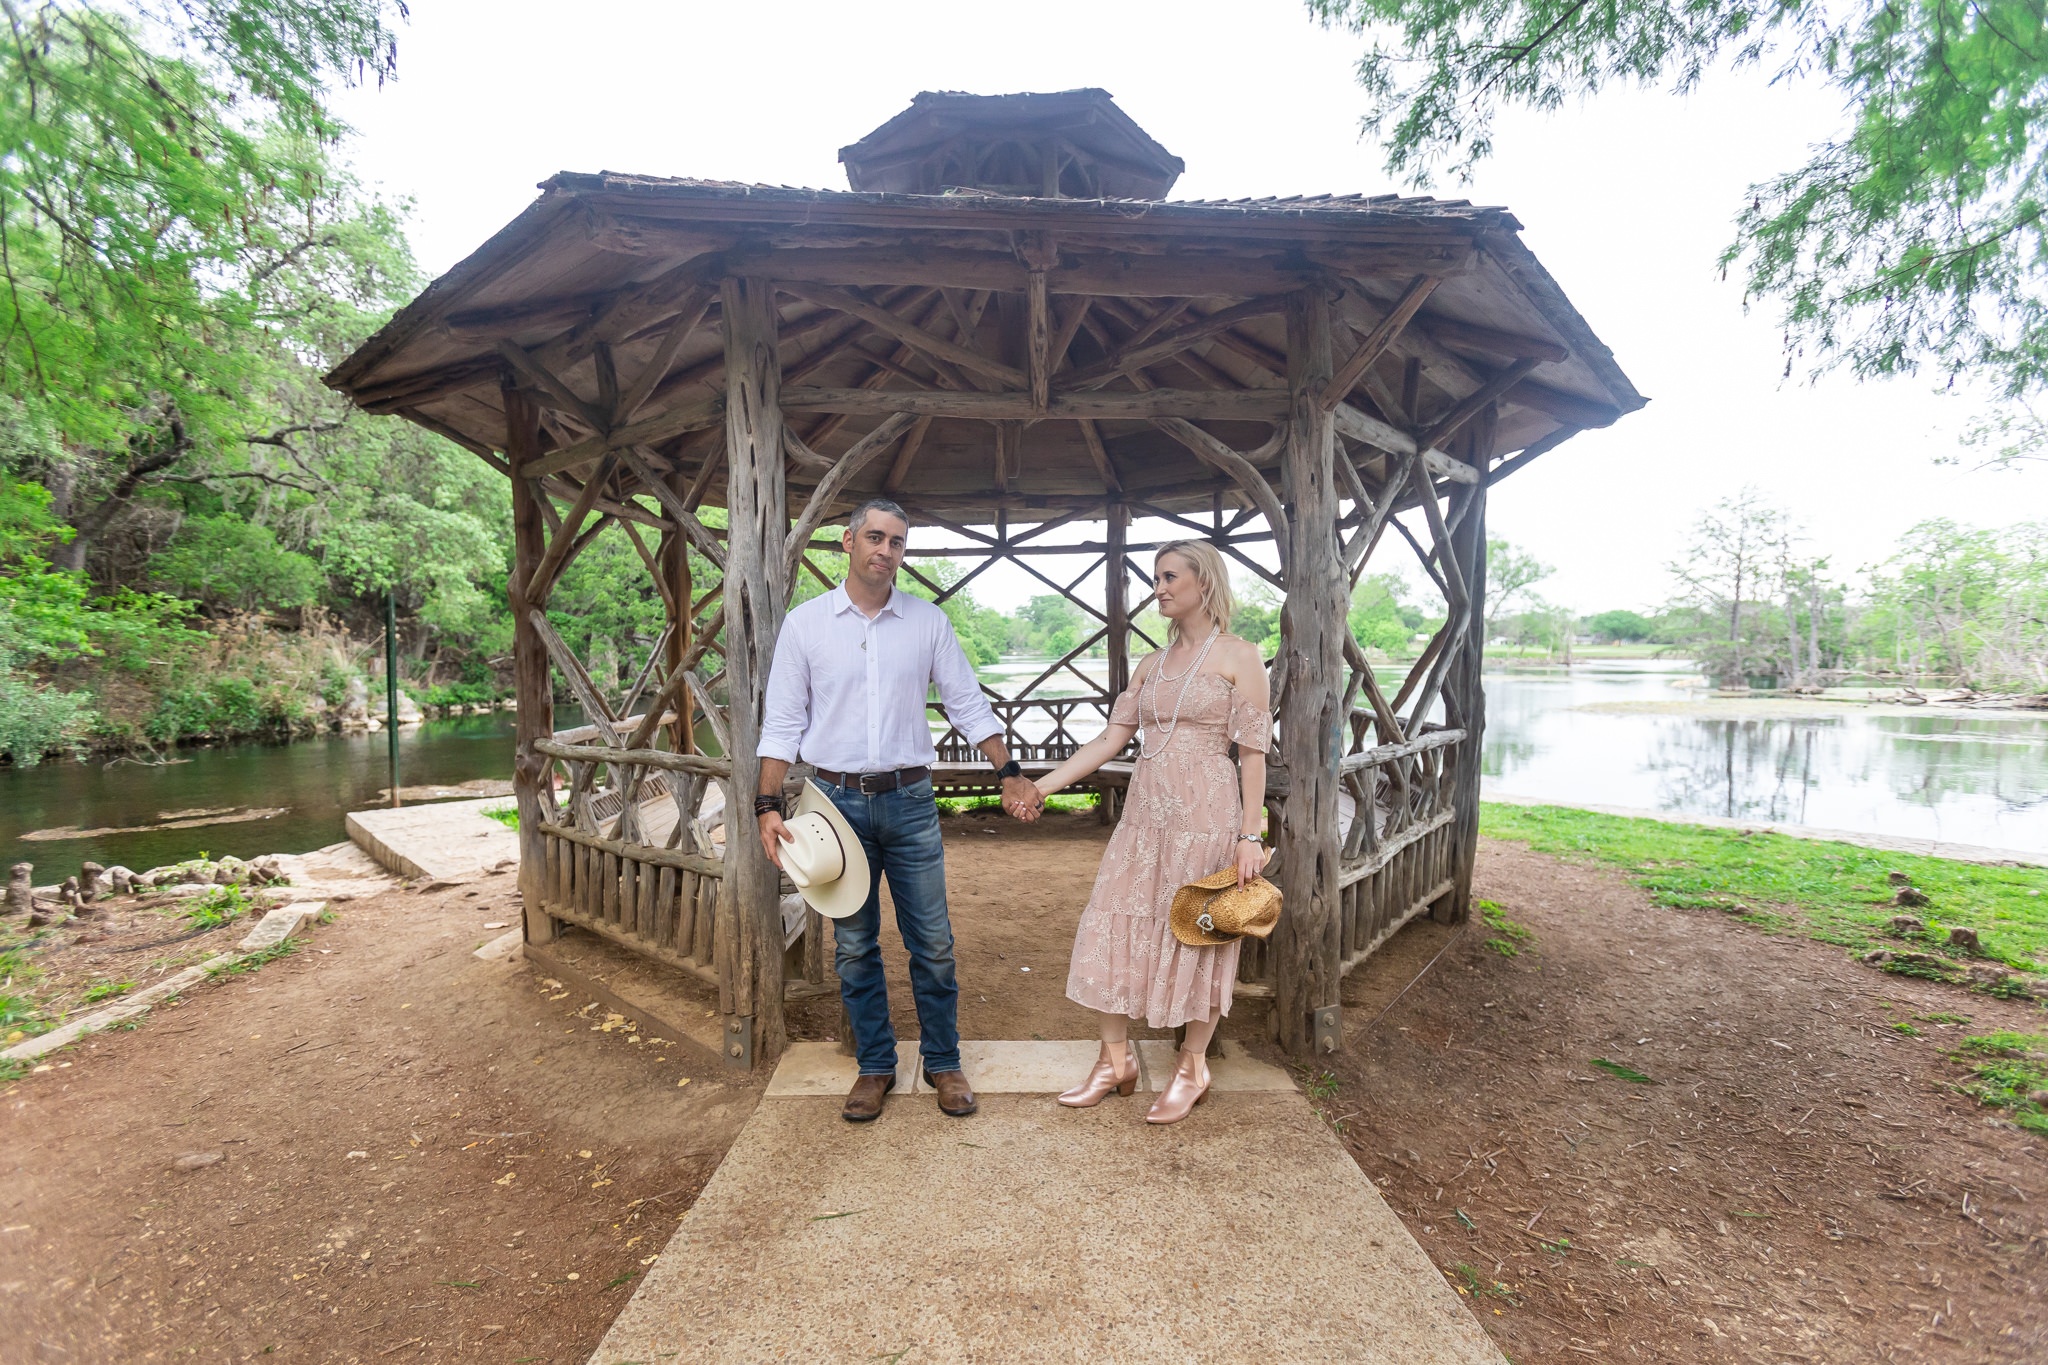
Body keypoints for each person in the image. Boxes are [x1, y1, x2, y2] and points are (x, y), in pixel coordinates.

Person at [756, 497, 1041, 1124]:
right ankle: (875, 1066)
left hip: (910, 802)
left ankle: (944, 1061)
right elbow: (782, 721)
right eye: (875, 538)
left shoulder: (926, 622)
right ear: (848, 542)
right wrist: (766, 802)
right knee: (854, 946)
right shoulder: (806, 625)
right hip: (833, 807)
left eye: (897, 542)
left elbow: (966, 703)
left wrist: (1010, 772)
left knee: (933, 942)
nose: (886, 551)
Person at [1023, 539, 1271, 1124]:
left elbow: (1253, 755)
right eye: (1155, 578)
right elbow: (1110, 740)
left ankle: (1192, 1067)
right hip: (1144, 819)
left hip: (1207, 819)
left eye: (1169, 577)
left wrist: (1249, 835)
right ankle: (1115, 1061)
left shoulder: (1240, 656)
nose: (1157, 588)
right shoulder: (1150, 665)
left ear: (1203, 582)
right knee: (1110, 920)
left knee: (1201, 930)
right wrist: (1043, 787)